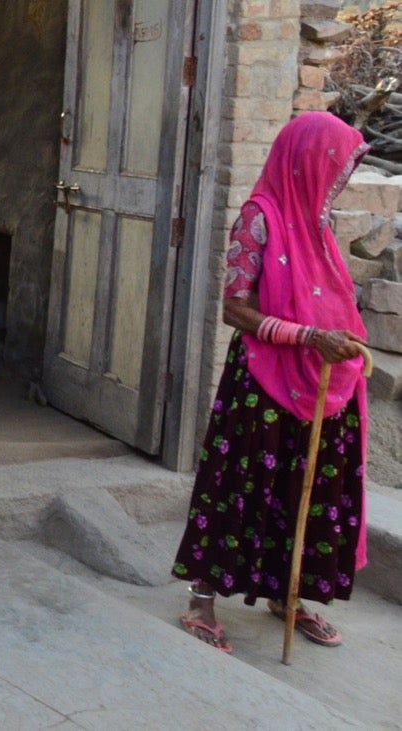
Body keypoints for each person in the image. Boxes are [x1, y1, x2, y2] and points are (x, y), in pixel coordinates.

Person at [171, 112, 372, 654]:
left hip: (325, 380)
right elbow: (235, 309)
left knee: (309, 490)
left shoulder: (320, 226)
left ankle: (292, 596)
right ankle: (202, 600)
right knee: (240, 486)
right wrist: (309, 335)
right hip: (265, 383)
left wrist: (344, 340)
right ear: (307, 161)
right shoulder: (260, 218)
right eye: (336, 167)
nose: (341, 180)